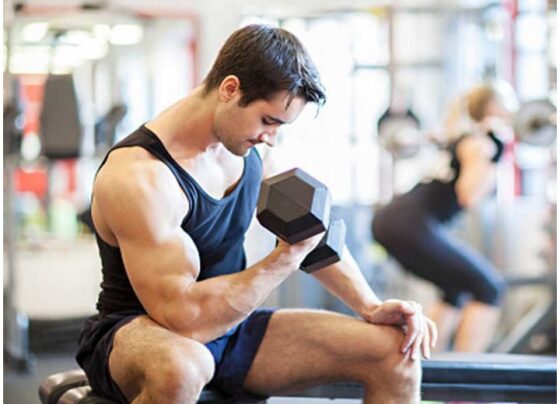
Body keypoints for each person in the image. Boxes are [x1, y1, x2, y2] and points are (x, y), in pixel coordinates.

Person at [76, 24, 436, 404]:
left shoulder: (248, 149)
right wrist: (284, 259)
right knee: (182, 367)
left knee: (396, 350)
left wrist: (371, 305)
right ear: (230, 89)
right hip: (144, 331)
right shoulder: (140, 175)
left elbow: (312, 230)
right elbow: (183, 316)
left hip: (230, 327)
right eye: (268, 121)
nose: (271, 138)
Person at [372, 83, 517, 353]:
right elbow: (469, 195)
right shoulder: (480, 144)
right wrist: (494, 157)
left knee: (454, 289)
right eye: (508, 105)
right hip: (408, 222)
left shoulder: (462, 136)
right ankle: (468, 374)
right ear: (494, 108)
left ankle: (426, 362)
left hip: (392, 220)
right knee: (489, 288)